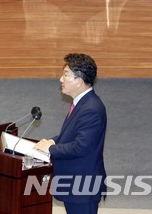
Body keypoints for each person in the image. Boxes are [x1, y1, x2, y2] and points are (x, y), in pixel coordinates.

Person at [34, 53, 107, 214]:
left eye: (65, 75)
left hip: (82, 188)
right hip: (74, 184)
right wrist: (52, 141)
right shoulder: (82, 103)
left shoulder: (92, 109)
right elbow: (71, 134)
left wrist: (50, 149)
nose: (61, 79)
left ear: (79, 81)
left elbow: (81, 147)